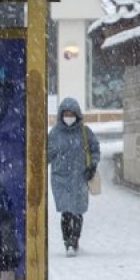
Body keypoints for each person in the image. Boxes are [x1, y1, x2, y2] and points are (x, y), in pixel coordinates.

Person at [47, 97, 99, 256]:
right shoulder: (54, 134)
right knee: (66, 211)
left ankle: (74, 241)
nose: (69, 117)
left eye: (72, 113)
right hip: (60, 179)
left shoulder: (85, 132)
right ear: (61, 115)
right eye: (66, 113)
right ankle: (67, 242)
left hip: (80, 177)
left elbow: (95, 149)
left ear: (77, 115)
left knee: (77, 211)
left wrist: (92, 165)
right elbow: (46, 155)